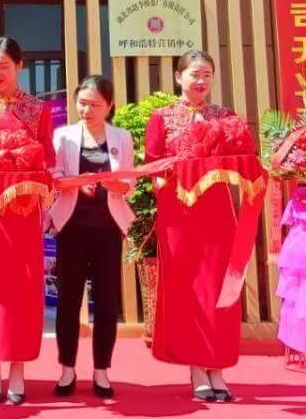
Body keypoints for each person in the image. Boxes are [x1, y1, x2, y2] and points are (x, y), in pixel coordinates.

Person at [144, 49, 240, 402]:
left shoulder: (225, 117)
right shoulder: (162, 117)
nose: (201, 81)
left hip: (217, 213)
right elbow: (152, 166)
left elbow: (238, 160)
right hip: (180, 216)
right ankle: (197, 367)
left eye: (207, 75)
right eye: (194, 74)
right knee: (188, 289)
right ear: (178, 77)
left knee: (217, 289)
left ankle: (218, 366)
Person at [0, 36, 54, 405]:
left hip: (24, 212)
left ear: (20, 66)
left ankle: (17, 368)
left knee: (22, 287)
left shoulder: (38, 109)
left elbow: (48, 158)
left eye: (4, 65)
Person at [46, 75, 134, 400]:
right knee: (68, 301)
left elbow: (129, 181)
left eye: (95, 104)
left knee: (107, 302)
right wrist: (74, 184)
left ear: (109, 105)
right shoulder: (63, 136)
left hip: (108, 228)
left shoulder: (121, 137)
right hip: (71, 226)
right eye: (82, 103)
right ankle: (67, 368)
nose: (87, 110)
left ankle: (101, 370)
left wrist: (117, 185)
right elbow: (54, 176)